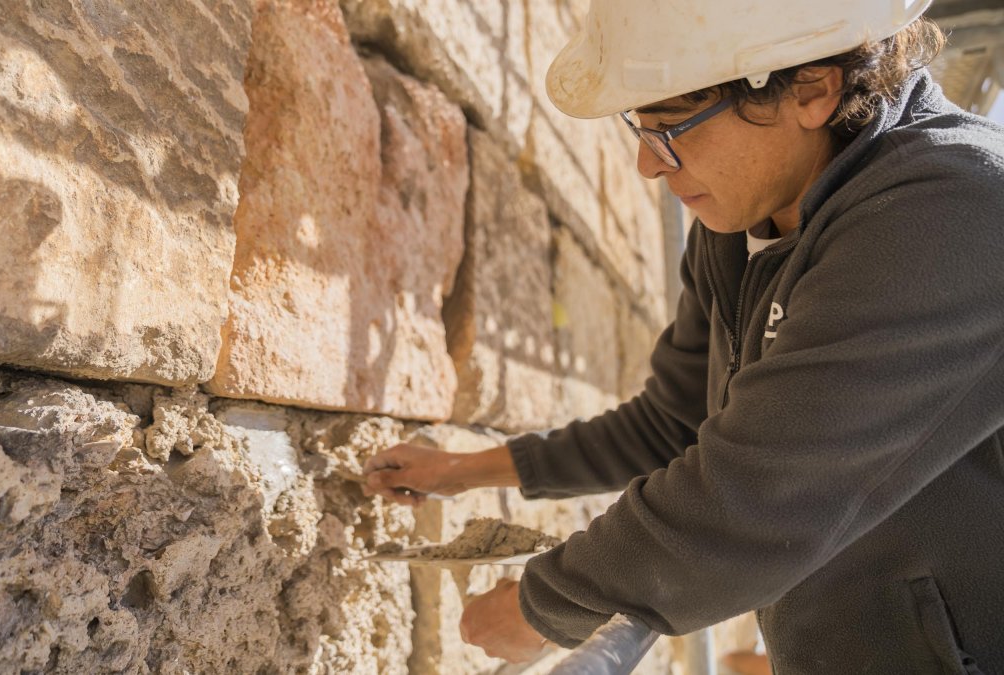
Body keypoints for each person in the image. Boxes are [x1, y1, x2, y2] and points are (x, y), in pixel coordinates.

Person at [362, 0, 1004, 672]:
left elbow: (759, 493)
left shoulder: (955, 211)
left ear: (813, 89)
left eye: (671, 127)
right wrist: (469, 469)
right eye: (639, 127)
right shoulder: (739, 223)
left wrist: (545, 603)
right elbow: (675, 422)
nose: (647, 165)